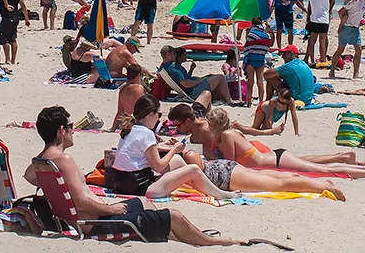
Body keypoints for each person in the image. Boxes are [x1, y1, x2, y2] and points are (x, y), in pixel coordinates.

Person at [23, 106, 246, 246]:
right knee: (175, 215)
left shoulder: (41, 161)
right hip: (94, 223)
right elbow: (82, 202)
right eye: (70, 126)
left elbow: (29, 176)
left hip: (83, 219)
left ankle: (175, 234)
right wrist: (111, 209)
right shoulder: (65, 160)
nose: (73, 130)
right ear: (62, 131)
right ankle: (214, 242)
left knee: (142, 201)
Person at [178, 105, 365, 180]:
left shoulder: (227, 136)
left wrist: (211, 156)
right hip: (274, 157)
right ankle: (359, 166)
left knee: (323, 170)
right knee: (319, 168)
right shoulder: (230, 133)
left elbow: (232, 165)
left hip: (276, 161)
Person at [108, 95, 239, 200]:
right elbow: (158, 167)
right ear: (149, 115)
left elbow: (139, 153)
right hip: (140, 188)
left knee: (177, 160)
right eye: (158, 115)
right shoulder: (146, 133)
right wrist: (174, 149)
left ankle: (202, 186)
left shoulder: (130, 129)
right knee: (192, 169)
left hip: (119, 183)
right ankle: (221, 194)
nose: (159, 119)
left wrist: (166, 148)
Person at [161, 46, 232, 104]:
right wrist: (201, 80)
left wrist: (192, 70)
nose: (175, 55)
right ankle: (229, 101)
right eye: (174, 53)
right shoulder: (174, 68)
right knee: (220, 77)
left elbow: (185, 79)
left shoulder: (164, 67)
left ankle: (223, 99)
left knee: (213, 77)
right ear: (168, 55)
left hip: (190, 90)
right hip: (193, 91)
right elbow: (186, 84)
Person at [331, 0, 365, 79]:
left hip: (355, 28)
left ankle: (356, 74)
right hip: (346, 27)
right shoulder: (351, 1)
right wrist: (341, 24)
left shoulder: (361, 1)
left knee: (358, 50)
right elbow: (341, 11)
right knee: (340, 49)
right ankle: (331, 71)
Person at [0, 0, 29, 64]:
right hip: (15, 17)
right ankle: (13, 60)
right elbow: (23, 4)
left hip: (6, 16)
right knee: (13, 39)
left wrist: (6, 4)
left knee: (5, 39)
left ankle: (7, 59)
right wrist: (26, 18)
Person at [242, 17, 271, 102]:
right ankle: (261, 102)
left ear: (253, 24)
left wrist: (246, 59)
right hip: (261, 59)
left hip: (251, 59)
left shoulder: (251, 34)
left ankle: (249, 103)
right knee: (260, 81)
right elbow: (267, 48)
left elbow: (247, 47)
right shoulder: (266, 35)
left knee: (250, 82)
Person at [304, 0, 331, 66]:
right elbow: (327, 7)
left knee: (312, 41)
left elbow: (311, 5)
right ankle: (322, 59)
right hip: (323, 19)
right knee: (322, 41)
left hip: (314, 19)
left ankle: (311, 60)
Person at [112, 64, 145, 130]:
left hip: (127, 121)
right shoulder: (139, 88)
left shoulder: (122, 89)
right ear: (138, 75)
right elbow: (139, 110)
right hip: (136, 122)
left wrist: (113, 128)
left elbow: (120, 112)